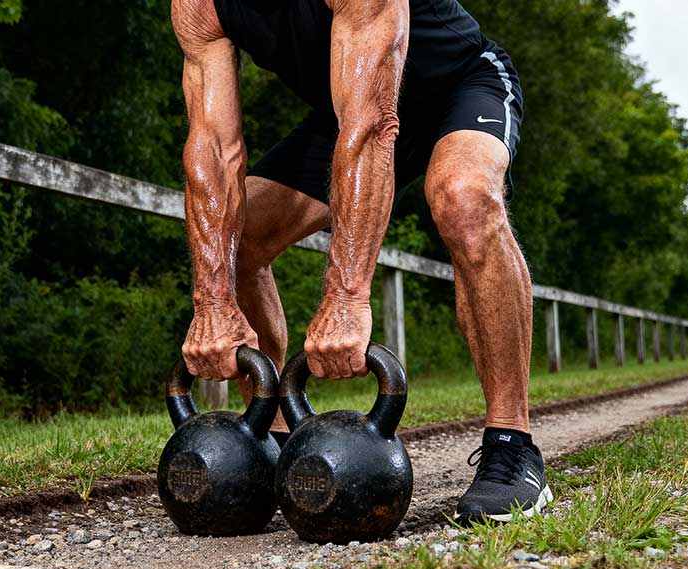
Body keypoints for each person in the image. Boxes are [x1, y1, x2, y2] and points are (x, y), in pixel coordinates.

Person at [172, 0, 549, 522]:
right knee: (238, 237)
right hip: (347, 108)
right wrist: (212, 302)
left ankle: (512, 444)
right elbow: (212, 148)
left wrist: (347, 296)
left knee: (463, 198)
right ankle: (276, 435)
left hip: (456, 89)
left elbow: (372, 124)